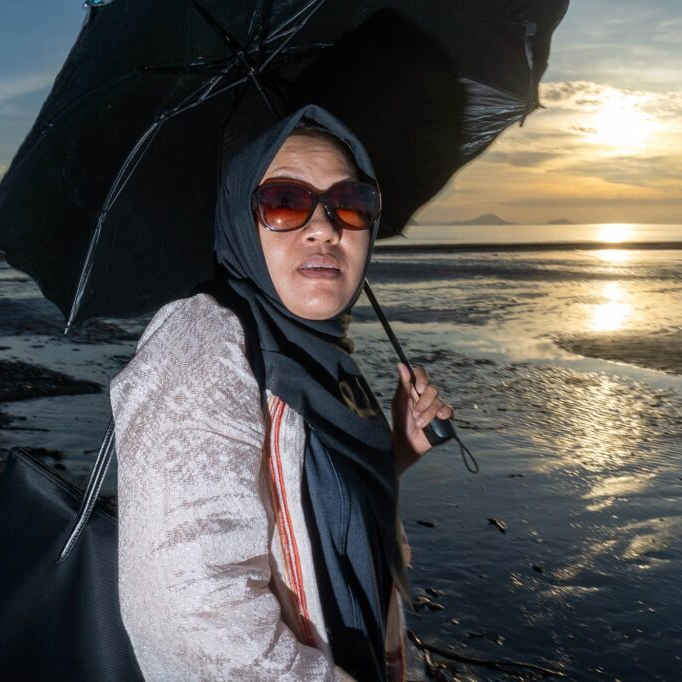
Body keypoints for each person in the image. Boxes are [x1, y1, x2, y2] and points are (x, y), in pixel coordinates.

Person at [109, 104, 451, 681]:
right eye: (286, 201)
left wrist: (397, 450)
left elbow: (307, 502)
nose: (326, 228)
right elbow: (189, 617)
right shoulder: (203, 343)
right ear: (241, 221)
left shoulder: (317, 354)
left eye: (351, 203)